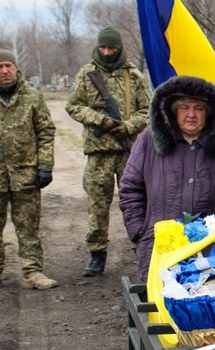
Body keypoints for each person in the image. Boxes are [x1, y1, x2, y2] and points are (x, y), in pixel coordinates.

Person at [118, 76, 215, 283]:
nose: (191, 114)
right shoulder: (148, 140)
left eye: (198, 108)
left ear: (209, 111)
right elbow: (130, 188)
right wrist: (139, 230)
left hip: (214, 249)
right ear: (173, 110)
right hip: (160, 247)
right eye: (184, 107)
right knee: (157, 309)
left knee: (208, 306)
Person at [65, 27, 151, 278]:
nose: (107, 52)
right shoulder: (86, 73)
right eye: (103, 48)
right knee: (97, 205)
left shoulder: (133, 76)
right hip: (99, 152)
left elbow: (147, 110)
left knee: (136, 202)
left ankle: (142, 248)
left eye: (111, 48)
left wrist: (127, 127)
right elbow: (74, 106)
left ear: (119, 48)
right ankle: (97, 254)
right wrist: (99, 121)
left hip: (129, 152)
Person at [0, 49, 58, 290]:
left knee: (28, 227)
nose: (5, 70)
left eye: (8, 65)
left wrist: (45, 166)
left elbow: (46, 132)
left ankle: (33, 271)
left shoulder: (32, 96)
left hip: (25, 175)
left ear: (16, 68)